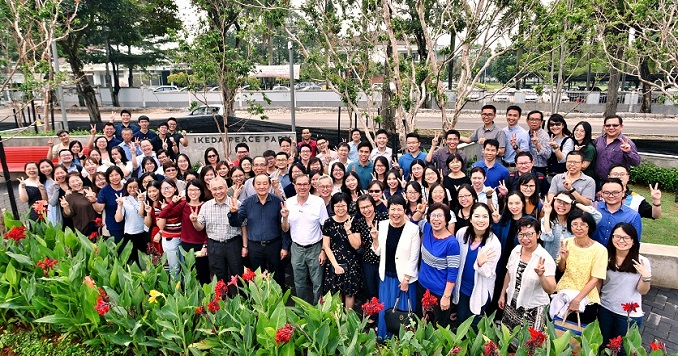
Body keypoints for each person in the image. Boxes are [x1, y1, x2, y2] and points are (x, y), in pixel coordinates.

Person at [373, 195, 421, 340]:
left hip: (404, 279)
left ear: (404, 211)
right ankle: (385, 338)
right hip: (386, 276)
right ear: (388, 211)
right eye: (392, 209)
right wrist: (375, 239)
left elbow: (414, 257)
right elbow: (378, 252)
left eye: (399, 209)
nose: (396, 213)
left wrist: (407, 279)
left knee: (403, 310)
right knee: (386, 308)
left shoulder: (412, 229)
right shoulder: (382, 225)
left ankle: (404, 339)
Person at [598, 223, 651, 353]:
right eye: (617, 236)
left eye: (626, 238)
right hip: (605, 308)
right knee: (603, 346)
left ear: (633, 241)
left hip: (628, 315)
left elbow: (642, 291)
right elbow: (599, 283)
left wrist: (646, 277)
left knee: (623, 351)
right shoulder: (606, 257)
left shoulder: (641, 261)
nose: (621, 241)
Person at [229, 174, 290, 287]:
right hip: (255, 247)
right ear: (253, 186)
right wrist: (233, 213)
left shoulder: (277, 201)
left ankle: (279, 301)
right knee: (256, 278)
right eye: (258, 184)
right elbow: (236, 223)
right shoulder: (247, 203)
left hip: (274, 245)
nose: (262, 186)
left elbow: (284, 227)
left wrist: (285, 247)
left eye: (265, 183)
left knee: (277, 276)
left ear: (270, 185)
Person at [497, 217, 556, 331]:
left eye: (529, 234)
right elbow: (509, 274)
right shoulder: (516, 251)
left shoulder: (545, 259)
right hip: (511, 305)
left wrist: (541, 275)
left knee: (528, 345)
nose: (525, 239)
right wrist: (502, 294)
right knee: (508, 341)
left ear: (538, 234)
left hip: (532, 310)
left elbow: (551, 289)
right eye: (521, 234)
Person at [282, 174, 329, 304]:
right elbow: (285, 229)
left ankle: (317, 311)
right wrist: (285, 217)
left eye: (305, 184)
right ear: (294, 186)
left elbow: (325, 228)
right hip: (296, 248)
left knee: (317, 282)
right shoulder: (289, 202)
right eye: (299, 184)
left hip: (315, 247)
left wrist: (324, 250)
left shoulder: (318, 202)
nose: (302, 187)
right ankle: (302, 309)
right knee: (299, 281)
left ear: (309, 186)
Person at [453, 202, 501, 329]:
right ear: (470, 218)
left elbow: (488, 273)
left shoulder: (493, 243)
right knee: (460, 323)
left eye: (485, 217)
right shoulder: (461, 233)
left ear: (490, 219)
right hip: (462, 288)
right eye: (477, 216)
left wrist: (480, 264)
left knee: (473, 326)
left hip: (480, 289)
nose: (481, 220)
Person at [555, 210, 607, 324]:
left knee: (578, 337)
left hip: (586, 299)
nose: (579, 228)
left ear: (590, 227)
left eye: (583, 224)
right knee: (558, 332)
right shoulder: (567, 242)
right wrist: (563, 259)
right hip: (564, 295)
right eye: (574, 224)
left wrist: (577, 299)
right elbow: (561, 269)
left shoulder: (600, 250)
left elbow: (595, 278)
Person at [413, 203, 460, 328]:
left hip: (439, 292)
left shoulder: (452, 243)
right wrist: (420, 211)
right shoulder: (427, 228)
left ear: (446, 219)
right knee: (421, 323)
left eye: (440, 216)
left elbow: (453, 272)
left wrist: (446, 296)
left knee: (438, 327)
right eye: (433, 215)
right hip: (422, 286)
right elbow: (412, 223)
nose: (436, 219)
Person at [191, 177, 243, 289]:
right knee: (218, 276)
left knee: (237, 275)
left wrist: (245, 246)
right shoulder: (206, 206)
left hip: (233, 244)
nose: (218, 192)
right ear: (210, 190)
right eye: (214, 189)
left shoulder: (236, 203)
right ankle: (222, 302)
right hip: (214, 245)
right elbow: (200, 228)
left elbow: (243, 225)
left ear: (226, 188)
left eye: (221, 188)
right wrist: (194, 221)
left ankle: (239, 302)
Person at [322, 193, 362, 311]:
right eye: (337, 206)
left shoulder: (354, 221)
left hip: (351, 262)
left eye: (343, 205)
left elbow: (356, 245)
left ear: (348, 206)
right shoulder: (328, 222)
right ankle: (339, 321)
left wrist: (348, 230)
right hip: (334, 262)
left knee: (349, 293)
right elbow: (326, 245)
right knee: (336, 293)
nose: (340, 209)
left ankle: (349, 321)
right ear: (333, 207)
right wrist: (335, 266)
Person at [540, 192, 603, 260]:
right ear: (553, 202)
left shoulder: (576, 221)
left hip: (572, 262)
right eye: (559, 202)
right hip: (551, 262)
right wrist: (547, 213)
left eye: (566, 203)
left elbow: (597, 216)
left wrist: (573, 202)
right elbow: (547, 238)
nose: (562, 205)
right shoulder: (547, 219)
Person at [350, 195, 389, 300]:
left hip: (385, 260)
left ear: (373, 205)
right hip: (368, 261)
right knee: (371, 290)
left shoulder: (384, 217)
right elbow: (357, 245)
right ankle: (373, 314)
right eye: (362, 208)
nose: (366, 210)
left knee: (384, 289)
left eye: (368, 206)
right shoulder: (359, 222)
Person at [593, 178, 642, 246]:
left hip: (618, 254)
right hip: (593, 253)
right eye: (606, 192)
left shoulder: (633, 216)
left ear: (623, 193)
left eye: (615, 192)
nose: (611, 196)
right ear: (602, 194)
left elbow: (635, 242)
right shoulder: (594, 209)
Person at [593, 115, 641, 182]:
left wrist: (628, 152)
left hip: (616, 183)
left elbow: (636, 163)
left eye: (615, 125)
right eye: (608, 125)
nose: (611, 128)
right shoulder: (598, 141)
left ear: (621, 127)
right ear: (604, 127)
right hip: (597, 181)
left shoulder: (627, 143)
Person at [113, 177, 147, 264]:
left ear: (139, 187)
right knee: (132, 259)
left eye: (135, 187)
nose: (132, 189)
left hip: (144, 232)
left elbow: (141, 214)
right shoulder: (124, 200)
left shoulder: (144, 197)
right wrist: (120, 206)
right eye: (130, 187)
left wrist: (142, 201)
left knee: (144, 259)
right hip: (131, 233)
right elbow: (118, 219)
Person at [156, 179, 182, 278]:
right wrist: (165, 209)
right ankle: (175, 292)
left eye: (169, 187)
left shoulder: (181, 202)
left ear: (175, 189)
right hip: (170, 239)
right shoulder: (158, 204)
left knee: (185, 267)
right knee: (174, 268)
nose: (166, 190)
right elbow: (161, 226)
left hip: (183, 238)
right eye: (163, 188)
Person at [94, 166, 126, 243]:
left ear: (121, 175)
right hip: (114, 225)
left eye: (117, 174)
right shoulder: (104, 190)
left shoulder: (127, 186)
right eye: (111, 176)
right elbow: (100, 208)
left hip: (131, 223)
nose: (114, 177)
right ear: (107, 178)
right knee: (121, 249)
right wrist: (93, 201)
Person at [502, 105, 530, 170]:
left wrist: (515, 147)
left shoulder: (523, 133)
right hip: (503, 166)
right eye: (509, 115)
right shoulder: (503, 131)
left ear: (519, 117)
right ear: (506, 115)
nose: (511, 118)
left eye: (515, 115)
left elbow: (525, 155)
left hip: (516, 168)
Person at [525, 110, 551, 176]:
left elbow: (547, 155)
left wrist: (537, 144)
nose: (534, 122)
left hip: (539, 169)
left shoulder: (544, 136)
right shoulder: (525, 134)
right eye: (531, 119)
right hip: (525, 167)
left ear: (541, 122)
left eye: (537, 120)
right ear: (527, 121)